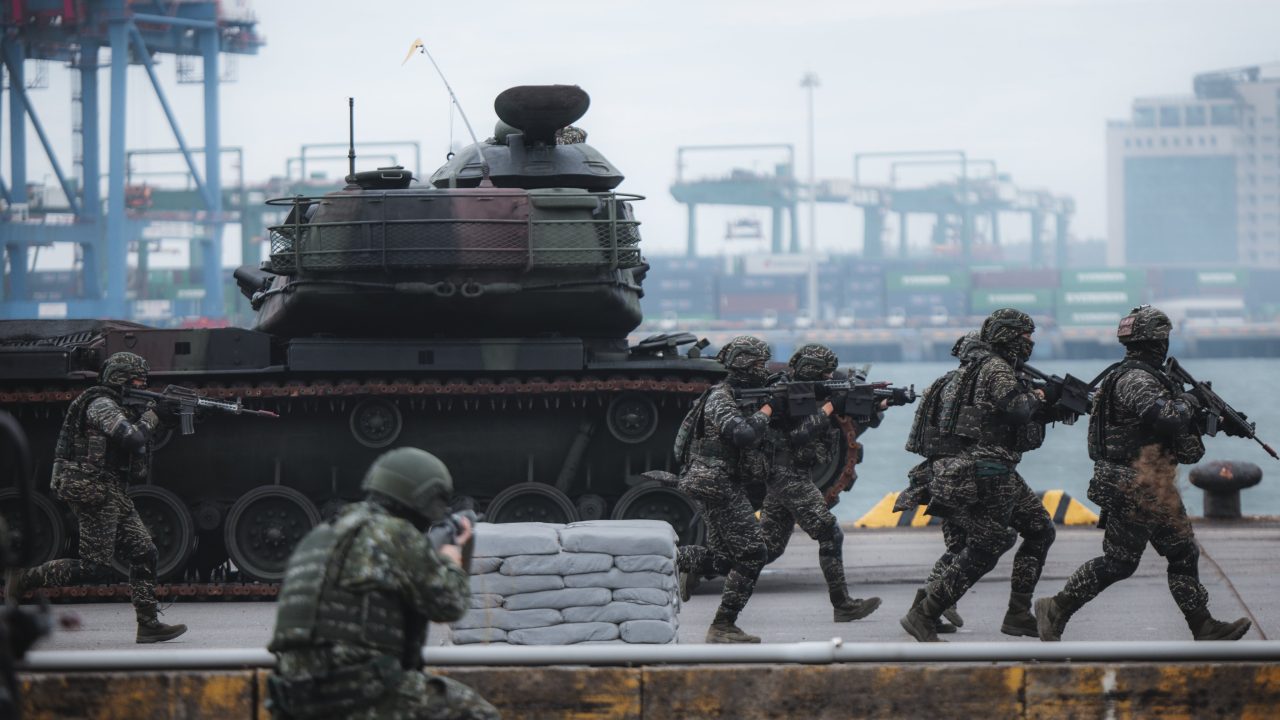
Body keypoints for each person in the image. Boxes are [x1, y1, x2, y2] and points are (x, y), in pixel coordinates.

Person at [1035, 306, 1251, 642]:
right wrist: (1192, 400)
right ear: (1158, 342)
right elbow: (1166, 417)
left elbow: (1161, 424)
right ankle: (1055, 607)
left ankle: (1203, 625)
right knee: (1121, 561)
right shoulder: (1136, 379)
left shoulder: (1139, 376)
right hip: (1134, 482)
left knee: (1181, 551)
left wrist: (1221, 423)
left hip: (1147, 480)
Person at [266, 447, 500, 719]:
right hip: (358, 691)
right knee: (479, 714)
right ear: (422, 497)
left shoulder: (320, 535)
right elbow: (450, 606)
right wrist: (450, 557)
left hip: (292, 697)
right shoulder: (394, 534)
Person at [4, 352, 186, 644]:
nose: (143, 384)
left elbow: (139, 437)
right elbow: (132, 438)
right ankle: (25, 578)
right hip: (91, 489)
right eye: (137, 380)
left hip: (110, 489)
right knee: (95, 567)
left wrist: (168, 418)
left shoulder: (120, 406)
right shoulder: (100, 404)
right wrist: (154, 416)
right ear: (119, 379)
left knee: (145, 552)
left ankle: (148, 624)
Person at [899, 309, 1058, 642]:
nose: (1030, 343)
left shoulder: (965, 375)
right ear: (1009, 337)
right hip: (988, 470)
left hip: (973, 468)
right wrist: (1042, 397)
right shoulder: (996, 369)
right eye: (1026, 337)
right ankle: (924, 613)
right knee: (988, 544)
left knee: (1040, 530)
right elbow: (1018, 410)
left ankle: (1018, 613)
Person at [756, 344, 882, 622]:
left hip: (791, 476)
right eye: (825, 373)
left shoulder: (809, 393)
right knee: (830, 534)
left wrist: (877, 404)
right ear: (811, 370)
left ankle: (697, 563)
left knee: (768, 548)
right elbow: (799, 435)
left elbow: (856, 419)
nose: (829, 377)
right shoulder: (785, 394)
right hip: (788, 475)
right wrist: (830, 406)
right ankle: (843, 605)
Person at [675, 336, 775, 643]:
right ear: (744, 364)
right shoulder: (720, 397)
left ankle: (685, 561)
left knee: (725, 557)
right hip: (716, 484)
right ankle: (722, 625)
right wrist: (769, 409)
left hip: (720, 482)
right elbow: (742, 434)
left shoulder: (737, 395)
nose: (764, 370)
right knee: (754, 553)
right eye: (760, 364)